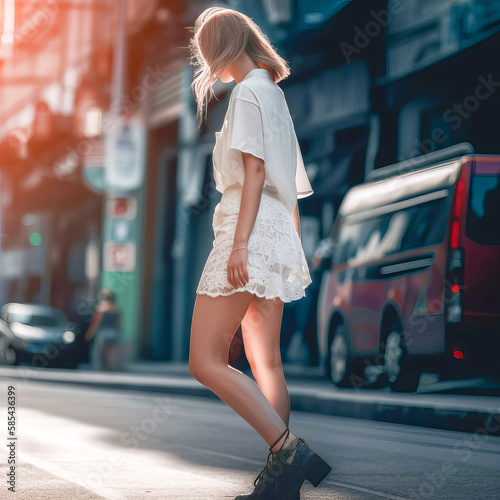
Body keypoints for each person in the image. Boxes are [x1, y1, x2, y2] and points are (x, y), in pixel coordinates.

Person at [187, 8, 332, 499]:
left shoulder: (248, 90)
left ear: (220, 49)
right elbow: (286, 185)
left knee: (205, 360)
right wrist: (283, 247)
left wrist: (242, 244)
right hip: (274, 230)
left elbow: (252, 173)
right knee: (265, 363)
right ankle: (281, 483)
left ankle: (289, 453)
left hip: (246, 231)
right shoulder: (274, 93)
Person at [84, 288, 121, 371]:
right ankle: (110, 366)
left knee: (101, 351)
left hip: (104, 332)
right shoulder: (116, 309)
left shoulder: (101, 308)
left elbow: (96, 321)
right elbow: (119, 322)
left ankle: (103, 367)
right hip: (114, 332)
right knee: (111, 350)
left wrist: (90, 332)